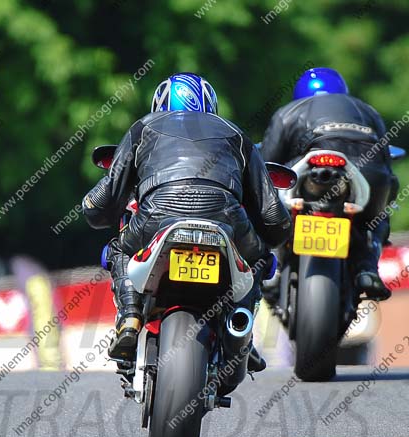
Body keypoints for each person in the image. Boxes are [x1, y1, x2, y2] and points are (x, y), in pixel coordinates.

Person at [82, 72, 291, 365]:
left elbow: (102, 204)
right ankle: (241, 329)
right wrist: (272, 237)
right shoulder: (235, 133)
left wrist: (94, 207)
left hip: (157, 215)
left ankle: (130, 317)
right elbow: (271, 215)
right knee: (259, 258)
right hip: (225, 217)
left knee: (120, 248)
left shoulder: (142, 127)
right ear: (211, 106)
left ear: (159, 104)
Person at [260, 67, 399, 300]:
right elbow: (385, 159)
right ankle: (367, 267)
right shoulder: (368, 111)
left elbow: (267, 164)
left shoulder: (288, 112)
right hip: (368, 174)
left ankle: (270, 262)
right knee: (379, 215)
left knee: (265, 192)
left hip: (306, 173)